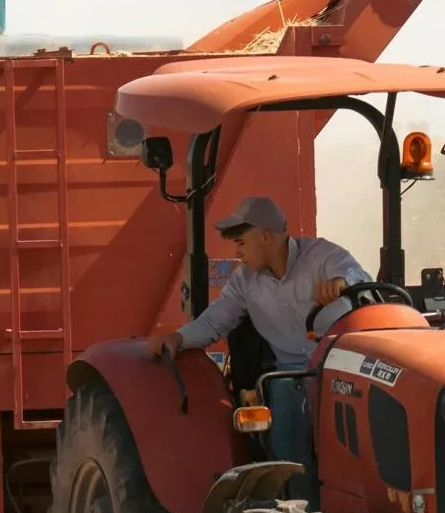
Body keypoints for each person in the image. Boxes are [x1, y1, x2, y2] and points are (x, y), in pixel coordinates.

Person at [147, 196, 373, 494]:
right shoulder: (244, 282)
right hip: (290, 378)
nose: (237, 253)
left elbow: (358, 277)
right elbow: (215, 321)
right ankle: (297, 503)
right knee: (289, 444)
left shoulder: (323, 256)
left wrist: (342, 283)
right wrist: (178, 338)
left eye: (241, 243)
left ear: (266, 236)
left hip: (343, 367)